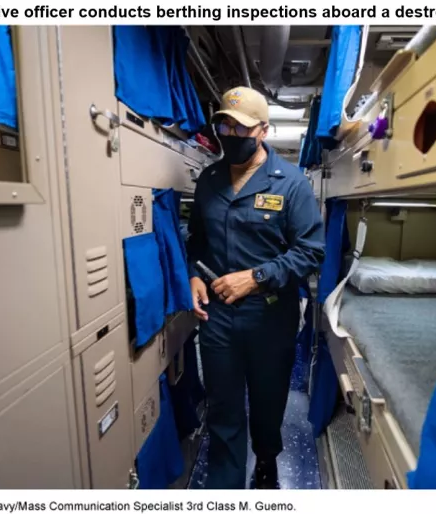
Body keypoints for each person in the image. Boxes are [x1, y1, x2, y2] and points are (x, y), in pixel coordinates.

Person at [186, 86, 325, 489]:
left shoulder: (291, 184)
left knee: (267, 403)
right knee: (224, 408)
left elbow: (311, 252)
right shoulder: (209, 180)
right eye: (223, 125)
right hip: (217, 317)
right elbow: (196, 239)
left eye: (241, 128)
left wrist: (256, 276)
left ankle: (266, 461)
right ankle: (225, 489)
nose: (231, 134)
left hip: (269, 315)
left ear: (262, 131)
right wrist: (194, 274)